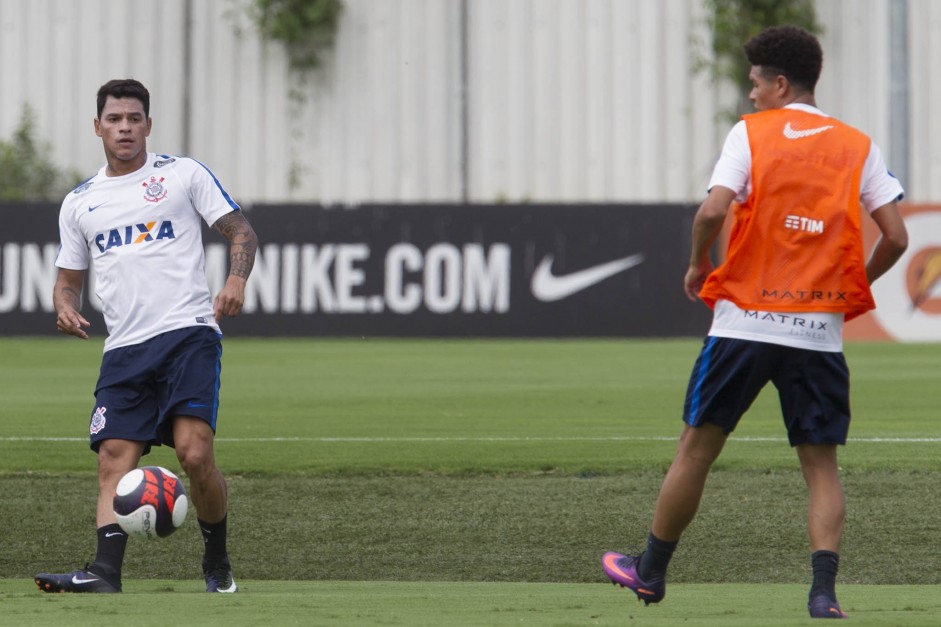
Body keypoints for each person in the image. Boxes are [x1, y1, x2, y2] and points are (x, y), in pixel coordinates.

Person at [602, 26, 908, 619]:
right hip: (817, 331)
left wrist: (698, 264)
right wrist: (855, 286)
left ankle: (650, 571)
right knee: (820, 466)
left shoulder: (751, 134)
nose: (751, 97)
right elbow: (896, 237)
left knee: (696, 450)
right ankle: (823, 594)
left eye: (756, 85)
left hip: (744, 323)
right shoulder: (858, 145)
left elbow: (714, 208)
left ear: (780, 82)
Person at [35, 79, 258, 594]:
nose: (125, 128)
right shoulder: (79, 203)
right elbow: (68, 283)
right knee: (114, 456)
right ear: (98, 128)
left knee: (195, 454)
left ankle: (217, 561)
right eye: (114, 120)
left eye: (134, 119)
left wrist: (235, 279)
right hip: (124, 349)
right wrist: (64, 308)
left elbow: (241, 231)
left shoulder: (182, 174)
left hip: (187, 335)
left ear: (148, 126)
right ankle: (104, 572)